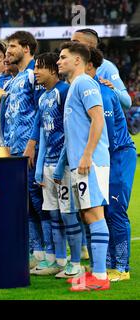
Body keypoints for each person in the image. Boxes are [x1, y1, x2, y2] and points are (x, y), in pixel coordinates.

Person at [57, 41, 110, 291]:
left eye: (63, 57)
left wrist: (87, 154)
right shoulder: (74, 86)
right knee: (87, 214)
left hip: (91, 161)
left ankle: (100, 277)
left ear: (78, 60)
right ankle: (95, 272)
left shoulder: (84, 83)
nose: (59, 61)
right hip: (81, 162)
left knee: (94, 213)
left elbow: (98, 119)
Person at [85, 47, 137, 282]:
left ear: (87, 65)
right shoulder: (85, 90)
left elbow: (110, 138)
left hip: (117, 156)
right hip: (102, 157)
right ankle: (104, 265)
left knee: (115, 210)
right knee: (99, 210)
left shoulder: (104, 94)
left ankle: (122, 267)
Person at [32, 53, 84, 278]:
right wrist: (39, 166)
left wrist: (61, 163)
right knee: (52, 213)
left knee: (68, 214)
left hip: (64, 165)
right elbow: (44, 133)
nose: (35, 72)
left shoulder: (64, 92)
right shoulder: (43, 97)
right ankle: (57, 259)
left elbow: (69, 132)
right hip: (48, 165)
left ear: (53, 70)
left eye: (39, 68)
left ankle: (76, 262)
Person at [4, 31, 49, 269]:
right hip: (14, 149)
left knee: (37, 201)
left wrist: (32, 143)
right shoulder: (15, 77)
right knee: (25, 202)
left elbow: (42, 111)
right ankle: (36, 251)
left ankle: (51, 253)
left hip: (30, 149)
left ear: (27, 48)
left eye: (12, 46)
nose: (8, 51)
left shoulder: (34, 74)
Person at [71, 28, 132, 110]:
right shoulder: (70, 66)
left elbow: (127, 103)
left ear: (89, 45)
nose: (71, 45)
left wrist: (113, 90)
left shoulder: (106, 67)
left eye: (75, 42)